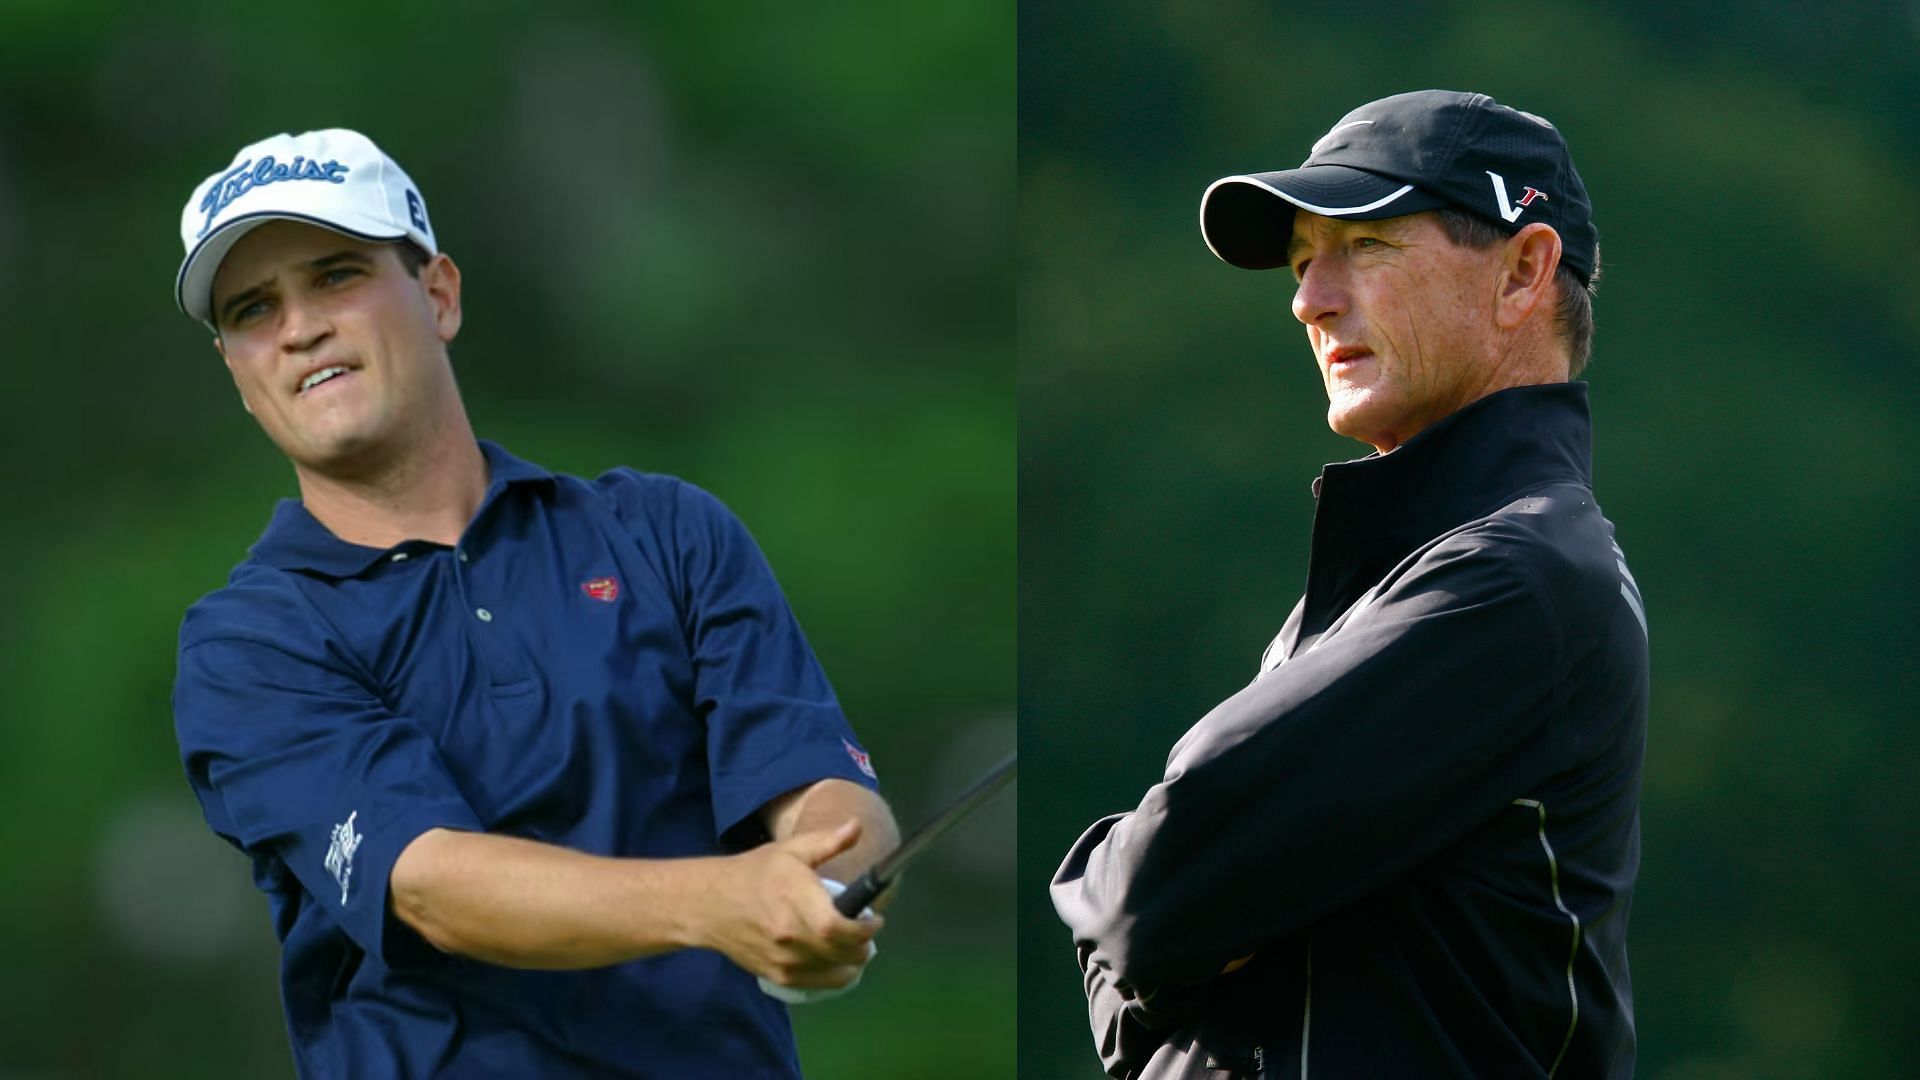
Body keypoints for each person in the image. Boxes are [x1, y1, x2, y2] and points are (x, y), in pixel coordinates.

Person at [169, 128, 901, 1078]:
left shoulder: (665, 532)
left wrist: (826, 883)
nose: (300, 327)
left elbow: (824, 788)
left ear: (439, 295)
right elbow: (431, 883)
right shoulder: (247, 644)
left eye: (337, 276)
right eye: (254, 309)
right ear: (237, 369)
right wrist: (721, 902)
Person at [1050, 90, 1647, 1078]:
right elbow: (1139, 965)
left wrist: (1130, 886)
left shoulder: (1521, 578)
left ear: (1525, 272)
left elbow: (1144, 893)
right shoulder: (1390, 587)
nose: (1309, 299)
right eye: (1300, 262)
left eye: (1364, 244)